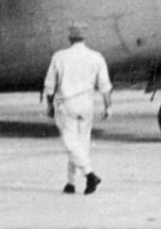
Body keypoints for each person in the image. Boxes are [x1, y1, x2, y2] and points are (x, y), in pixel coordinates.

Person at [43, 21, 112, 195]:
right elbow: (105, 85)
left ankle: (90, 175)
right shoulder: (96, 57)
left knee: (70, 143)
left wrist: (50, 105)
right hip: (87, 104)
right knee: (81, 144)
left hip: (67, 103)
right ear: (84, 37)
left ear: (69, 37)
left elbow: (50, 85)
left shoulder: (60, 57)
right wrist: (108, 106)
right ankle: (71, 183)